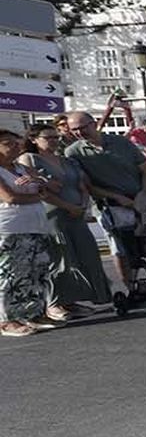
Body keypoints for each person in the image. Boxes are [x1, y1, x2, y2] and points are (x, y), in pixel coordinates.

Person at [18, 124, 112, 315]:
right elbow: (40, 190)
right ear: (34, 139)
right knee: (59, 257)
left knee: (85, 254)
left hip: (76, 213)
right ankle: (54, 303)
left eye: (55, 137)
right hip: (52, 215)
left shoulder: (67, 160)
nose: (53, 141)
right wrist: (67, 206)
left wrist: (83, 205)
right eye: (48, 138)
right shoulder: (29, 159)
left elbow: (82, 185)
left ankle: (74, 299)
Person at [62, 110, 146, 293]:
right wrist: (116, 197)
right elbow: (86, 185)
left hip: (139, 201)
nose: (79, 133)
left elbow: (145, 169)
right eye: (74, 130)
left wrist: (143, 195)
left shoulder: (121, 142)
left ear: (94, 124)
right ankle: (131, 288)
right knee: (119, 249)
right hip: (109, 206)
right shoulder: (73, 152)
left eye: (83, 127)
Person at [0, 129, 57, 337]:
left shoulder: (20, 167)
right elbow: (10, 198)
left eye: (16, 143)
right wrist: (37, 195)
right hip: (11, 228)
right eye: (7, 144)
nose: (15, 147)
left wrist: (39, 186)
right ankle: (7, 320)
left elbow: (45, 188)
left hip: (36, 224)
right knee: (11, 274)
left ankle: (34, 313)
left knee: (37, 271)